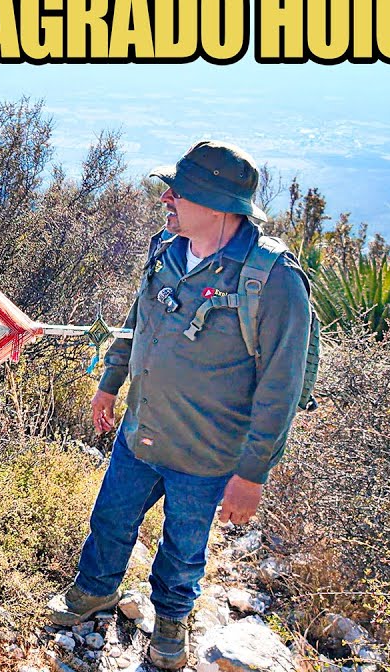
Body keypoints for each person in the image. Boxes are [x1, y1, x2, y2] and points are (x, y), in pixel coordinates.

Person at [47, 141, 312, 669]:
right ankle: (94, 591)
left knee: (183, 548)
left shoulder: (273, 279)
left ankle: (170, 622)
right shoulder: (167, 247)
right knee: (110, 519)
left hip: (207, 453)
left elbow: (280, 386)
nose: (166, 198)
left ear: (217, 205)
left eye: (180, 192)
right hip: (140, 431)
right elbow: (137, 321)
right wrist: (110, 382)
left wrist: (251, 475)